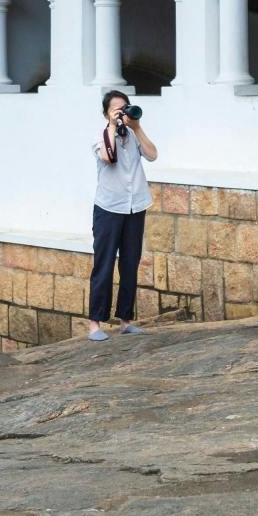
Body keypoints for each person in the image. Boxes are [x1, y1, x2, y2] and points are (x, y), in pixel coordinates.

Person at [87, 88, 157, 341]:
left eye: (124, 107)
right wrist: (112, 127)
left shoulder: (134, 134)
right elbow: (108, 157)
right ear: (106, 113)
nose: (121, 111)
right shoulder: (100, 136)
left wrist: (136, 127)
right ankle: (95, 324)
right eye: (116, 108)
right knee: (103, 264)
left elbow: (153, 155)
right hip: (108, 208)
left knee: (130, 263)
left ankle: (125, 320)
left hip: (135, 206)